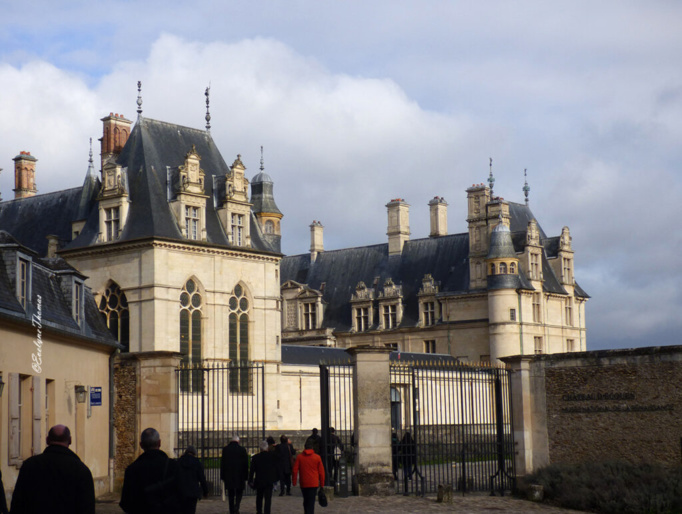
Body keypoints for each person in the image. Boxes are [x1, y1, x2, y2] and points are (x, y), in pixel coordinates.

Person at [10, 424, 95, 514]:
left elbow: (18, 503)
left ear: (47, 440)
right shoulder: (81, 470)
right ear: (70, 440)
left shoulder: (29, 465)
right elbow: (87, 507)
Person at [120, 427, 181, 514]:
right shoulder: (173, 466)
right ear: (159, 443)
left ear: (141, 445)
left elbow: (126, 503)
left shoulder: (131, 470)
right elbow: (181, 496)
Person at [292, 440, 325, 514]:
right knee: (311, 501)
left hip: (304, 482)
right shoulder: (317, 457)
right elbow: (321, 472)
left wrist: (294, 482)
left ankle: (306, 511)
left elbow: (295, 470)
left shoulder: (300, 457)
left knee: (306, 500)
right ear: (312, 448)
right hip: (314, 483)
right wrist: (322, 484)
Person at [220, 434, 249, 514]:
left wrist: (222, 476)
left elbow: (223, 464)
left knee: (231, 494)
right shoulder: (242, 449)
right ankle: (237, 506)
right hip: (240, 475)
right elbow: (245, 464)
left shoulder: (225, 449)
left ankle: (232, 510)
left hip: (229, 475)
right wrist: (246, 476)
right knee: (239, 492)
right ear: (238, 441)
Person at [249, 440, 278, 514]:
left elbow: (252, 471)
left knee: (259, 497)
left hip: (259, 480)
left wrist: (250, 480)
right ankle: (267, 512)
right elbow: (276, 468)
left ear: (260, 448)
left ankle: (259, 511)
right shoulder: (272, 456)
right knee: (268, 499)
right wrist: (275, 478)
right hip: (269, 480)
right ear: (267, 448)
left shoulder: (255, 458)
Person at [177, 445, 209, 514]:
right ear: (194, 453)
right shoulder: (197, 462)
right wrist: (205, 491)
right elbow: (202, 478)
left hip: (181, 491)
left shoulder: (179, 461)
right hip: (193, 492)